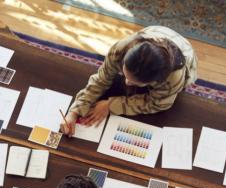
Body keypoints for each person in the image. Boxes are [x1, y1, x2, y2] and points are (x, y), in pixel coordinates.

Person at [61, 26, 198, 136]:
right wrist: (75, 111)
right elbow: (101, 79)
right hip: (155, 33)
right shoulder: (120, 49)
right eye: (125, 74)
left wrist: (111, 104)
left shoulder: (173, 78)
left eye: (135, 83)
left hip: (184, 53)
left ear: (155, 81)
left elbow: (158, 104)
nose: (126, 82)